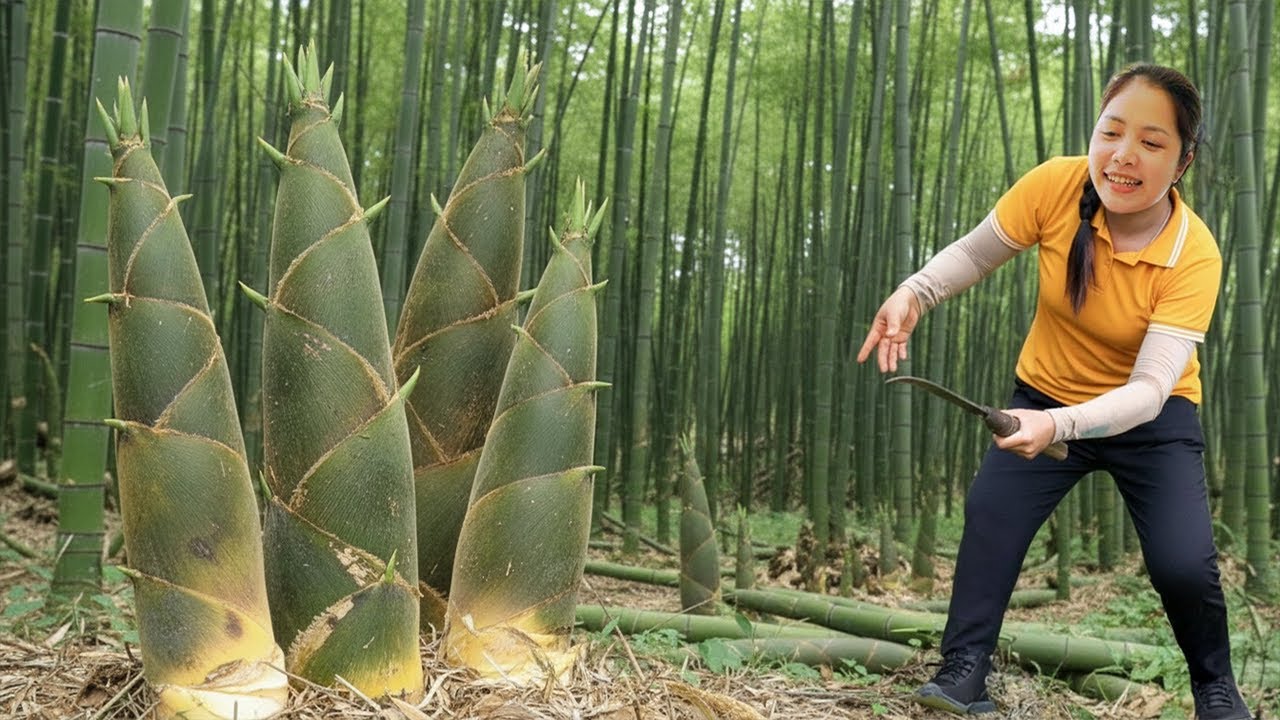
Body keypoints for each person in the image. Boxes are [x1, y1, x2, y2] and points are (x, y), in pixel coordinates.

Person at [856, 64, 1252, 719]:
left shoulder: (1195, 252)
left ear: (1182, 162)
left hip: (1150, 420)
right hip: (1043, 392)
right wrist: (914, 292)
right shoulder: (1056, 184)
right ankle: (965, 670)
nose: (1124, 155)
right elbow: (976, 253)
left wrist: (1061, 427)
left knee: (1183, 564)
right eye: (1112, 132)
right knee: (991, 519)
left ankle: (1215, 687)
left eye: (1152, 143)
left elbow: (1152, 389)